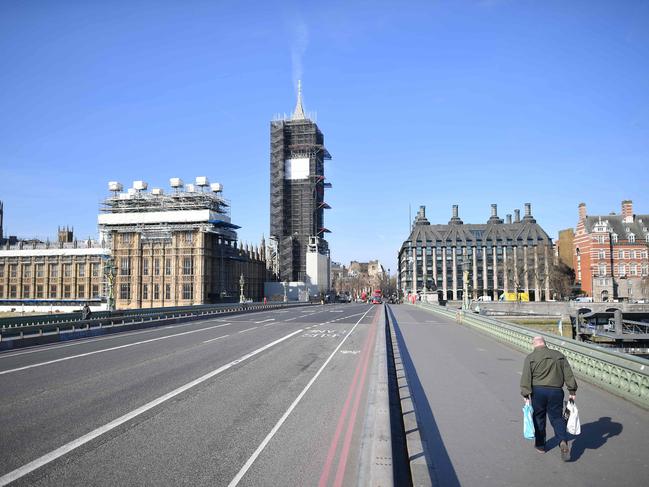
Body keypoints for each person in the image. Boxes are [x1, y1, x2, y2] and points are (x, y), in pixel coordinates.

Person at [520, 336, 577, 461]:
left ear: (534, 345)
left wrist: (526, 394)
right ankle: (562, 440)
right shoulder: (559, 355)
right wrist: (572, 390)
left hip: (538, 392)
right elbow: (568, 374)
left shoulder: (531, 358)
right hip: (556, 391)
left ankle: (540, 446)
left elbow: (526, 377)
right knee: (557, 418)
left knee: (539, 418)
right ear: (545, 344)